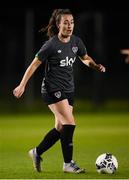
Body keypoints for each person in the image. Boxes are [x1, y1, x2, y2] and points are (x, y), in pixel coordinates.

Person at [13, 9, 106, 174]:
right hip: (51, 89)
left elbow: (85, 58)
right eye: (66, 22)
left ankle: (37, 152)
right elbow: (34, 64)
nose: (69, 26)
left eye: (71, 22)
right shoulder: (51, 44)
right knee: (70, 123)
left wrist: (95, 65)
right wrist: (22, 85)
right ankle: (68, 163)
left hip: (68, 90)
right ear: (58, 25)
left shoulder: (76, 42)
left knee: (61, 128)